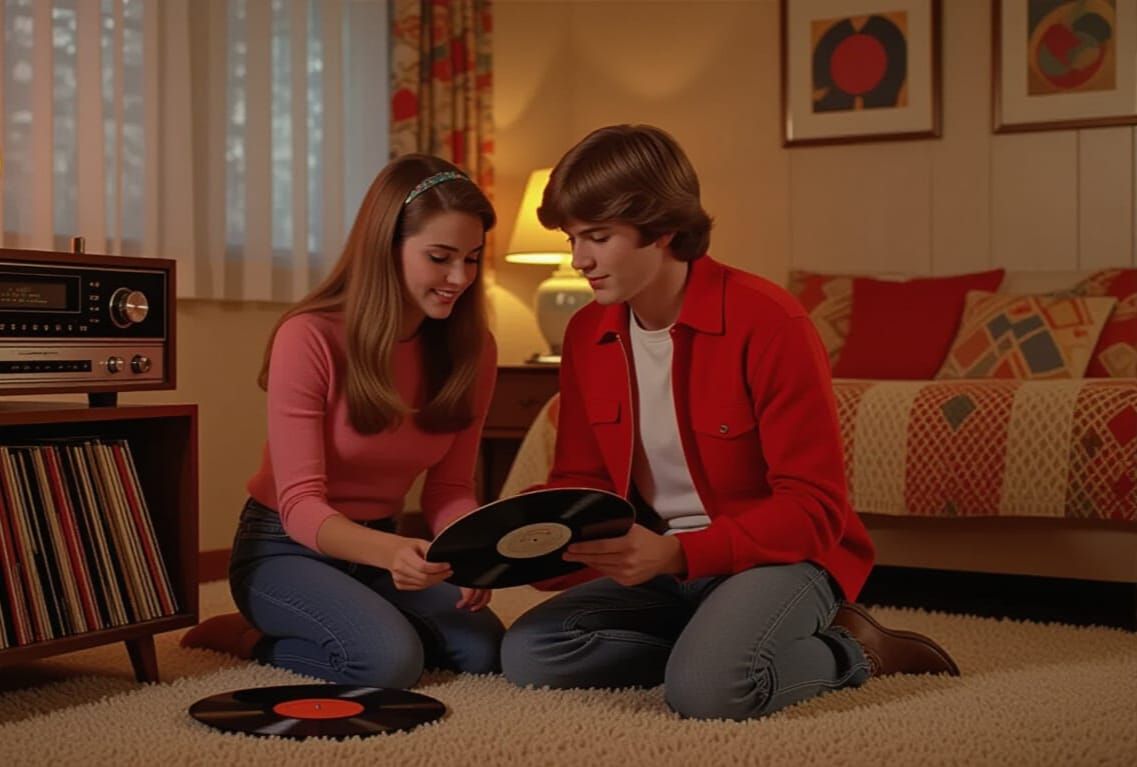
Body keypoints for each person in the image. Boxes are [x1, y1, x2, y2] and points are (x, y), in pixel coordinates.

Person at [499, 125, 959, 720]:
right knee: (532, 653)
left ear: (662, 229)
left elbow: (814, 507)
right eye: (572, 238)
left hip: (780, 559)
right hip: (663, 561)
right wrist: (503, 543)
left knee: (710, 692)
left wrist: (675, 556)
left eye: (598, 237)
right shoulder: (588, 334)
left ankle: (855, 650)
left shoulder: (769, 321)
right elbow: (580, 482)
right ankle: (713, 641)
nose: (578, 259)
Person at [181, 155, 505, 688]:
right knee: (386, 665)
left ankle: (357, 618)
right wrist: (392, 553)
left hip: (382, 549)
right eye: (440, 257)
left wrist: (470, 554)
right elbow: (301, 506)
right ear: (386, 245)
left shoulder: (475, 350)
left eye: (471, 259)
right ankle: (248, 635)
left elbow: (449, 488)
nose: (459, 278)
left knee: (483, 651)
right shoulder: (310, 336)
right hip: (285, 548)